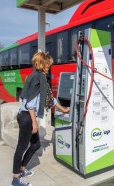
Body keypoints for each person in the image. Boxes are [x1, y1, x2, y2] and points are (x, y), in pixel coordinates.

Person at [12, 52, 70, 186]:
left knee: (36, 144)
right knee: (21, 148)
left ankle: (22, 169)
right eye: (48, 64)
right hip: (27, 117)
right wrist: (34, 123)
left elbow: (50, 98)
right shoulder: (39, 77)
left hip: (27, 116)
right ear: (43, 64)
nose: (50, 66)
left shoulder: (36, 76)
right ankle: (16, 179)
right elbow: (29, 104)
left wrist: (64, 109)